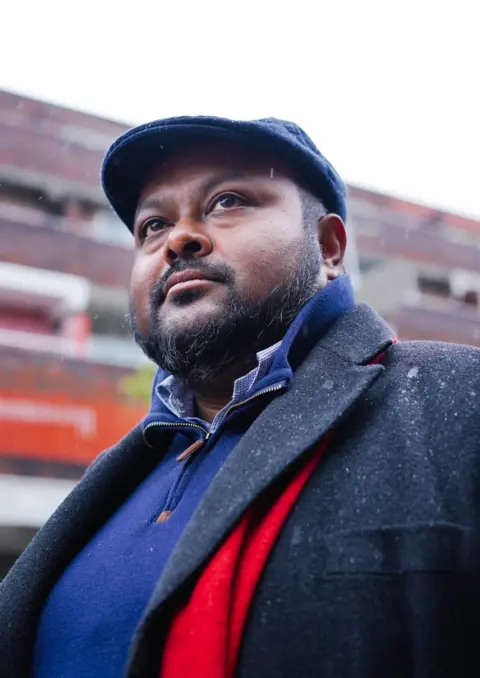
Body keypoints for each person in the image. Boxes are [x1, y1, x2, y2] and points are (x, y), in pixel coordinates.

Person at [1, 116, 479, 678]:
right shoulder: (117, 476)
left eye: (228, 201)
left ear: (328, 247)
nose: (177, 239)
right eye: (152, 225)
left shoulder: (460, 402)